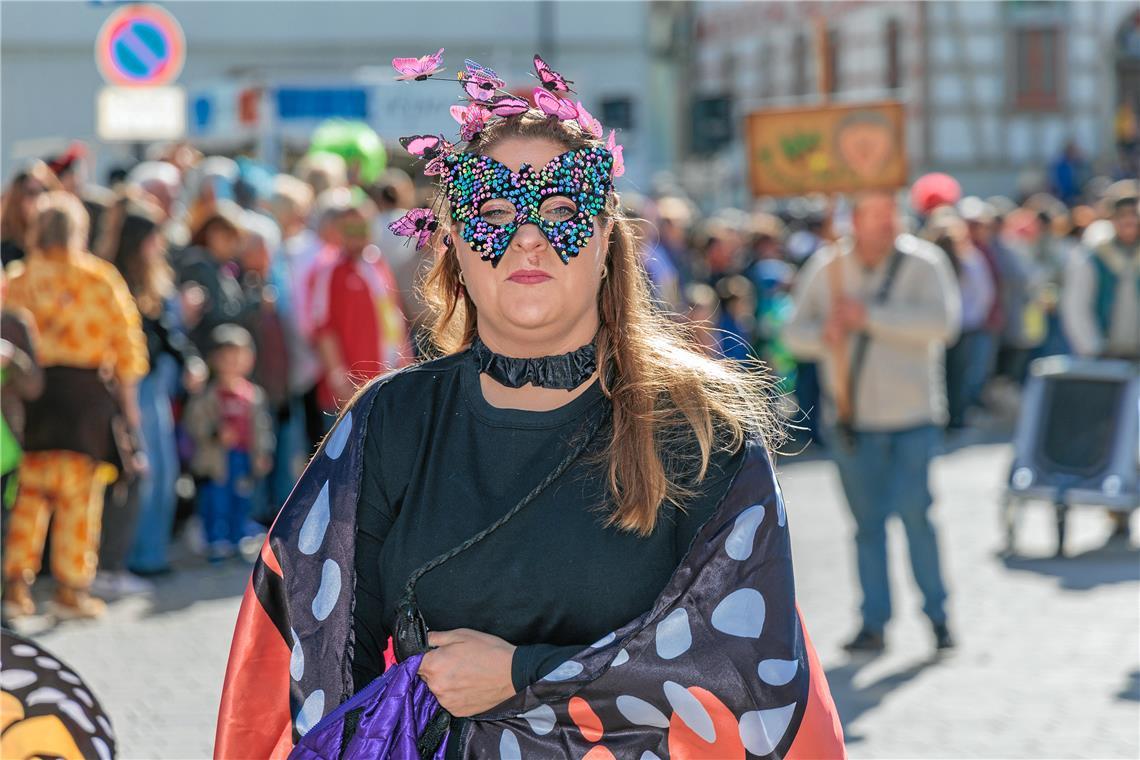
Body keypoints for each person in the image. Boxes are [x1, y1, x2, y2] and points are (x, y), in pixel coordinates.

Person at [217, 57, 845, 760]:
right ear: (452, 243)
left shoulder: (699, 429)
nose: (527, 237)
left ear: (608, 240)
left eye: (560, 210)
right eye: (491, 212)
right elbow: (315, 661)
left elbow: (743, 666)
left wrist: (524, 676)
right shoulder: (388, 424)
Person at [784, 191, 961, 654]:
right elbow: (792, 334)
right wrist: (826, 335)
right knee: (866, 527)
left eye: (892, 214)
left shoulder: (925, 262)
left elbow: (944, 325)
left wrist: (870, 317)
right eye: (876, 215)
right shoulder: (828, 267)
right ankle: (874, 622)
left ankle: (938, 617)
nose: (887, 224)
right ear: (855, 219)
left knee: (917, 517)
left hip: (913, 417)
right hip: (850, 420)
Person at [2, 191, 148, 619]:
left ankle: (16, 587)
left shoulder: (19, 277)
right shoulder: (100, 279)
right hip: (86, 399)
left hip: (30, 398)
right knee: (79, 499)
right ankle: (71, 589)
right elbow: (129, 352)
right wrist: (130, 413)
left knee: (28, 495)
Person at [104, 197, 205, 579]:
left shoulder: (151, 280)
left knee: (164, 469)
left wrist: (188, 362)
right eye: (152, 239)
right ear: (137, 241)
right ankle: (134, 557)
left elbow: (164, 331)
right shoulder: (116, 281)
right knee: (145, 471)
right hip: (132, 384)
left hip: (154, 380)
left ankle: (152, 553)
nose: (158, 245)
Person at [1061, 183, 1140, 542]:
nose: (1131, 224)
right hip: (1109, 359)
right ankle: (1117, 508)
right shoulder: (1095, 255)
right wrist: (1092, 348)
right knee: (1113, 435)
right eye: (1124, 217)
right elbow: (1077, 306)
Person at [306, 198, 411, 420]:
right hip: (350, 392)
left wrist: (404, 364)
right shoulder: (329, 270)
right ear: (338, 231)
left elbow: (392, 315)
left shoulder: (377, 262)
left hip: (385, 382)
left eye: (362, 226)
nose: (357, 234)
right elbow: (323, 328)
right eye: (350, 228)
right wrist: (339, 379)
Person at [184, 325, 274, 562]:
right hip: (217, 461)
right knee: (216, 500)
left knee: (241, 499)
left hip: (244, 458)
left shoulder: (253, 395)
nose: (232, 363)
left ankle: (236, 538)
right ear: (214, 360)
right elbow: (194, 422)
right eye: (226, 357)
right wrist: (215, 433)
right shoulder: (208, 395)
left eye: (238, 357)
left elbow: (263, 428)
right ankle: (215, 540)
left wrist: (263, 452)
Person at [927, 209, 995, 429]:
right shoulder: (968, 259)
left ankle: (945, 417)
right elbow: (984, 293)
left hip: (945, 325)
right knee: (958, 373)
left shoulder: (937, 261)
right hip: (962, 326)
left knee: (942, 373)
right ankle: (955, 417)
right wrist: (973, 317)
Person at [178, 201, 249, 354]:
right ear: (214, 234)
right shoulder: (199, 264)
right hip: (204, 353)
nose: (234, 246)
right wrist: (252, 303)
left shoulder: (220, 267)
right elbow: (219, 315)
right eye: (229, 239)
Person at [1, 161, 63, 267]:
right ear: (17, 199)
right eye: (31, 192)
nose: (41, 198)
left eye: (46, 191)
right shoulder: (5, 251)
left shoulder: (63, 248)